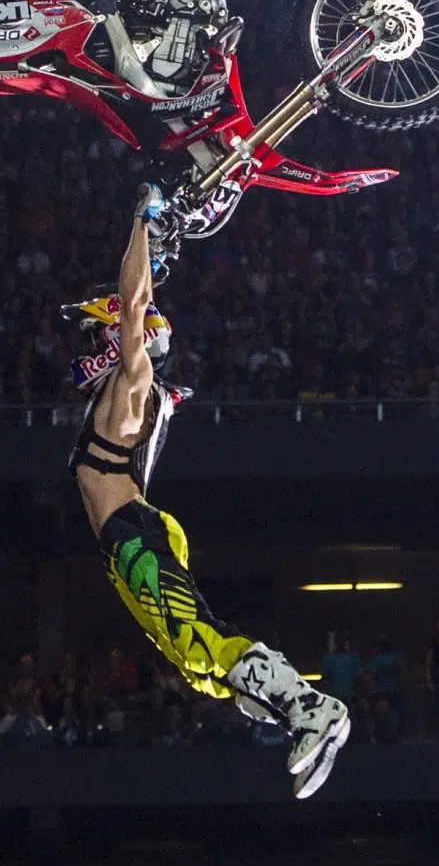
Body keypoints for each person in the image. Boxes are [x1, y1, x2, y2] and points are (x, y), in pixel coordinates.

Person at [66, 185, 349, 797]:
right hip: (130, 537)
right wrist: (157, 250)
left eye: (96, 334)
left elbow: (135, 302)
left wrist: (140, 224)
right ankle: (289, 708)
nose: (89, 348)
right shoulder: (129, 392)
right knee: (197, 665)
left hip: (133, 534)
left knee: (199, 643)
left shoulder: (133, 380)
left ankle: (309, 707)